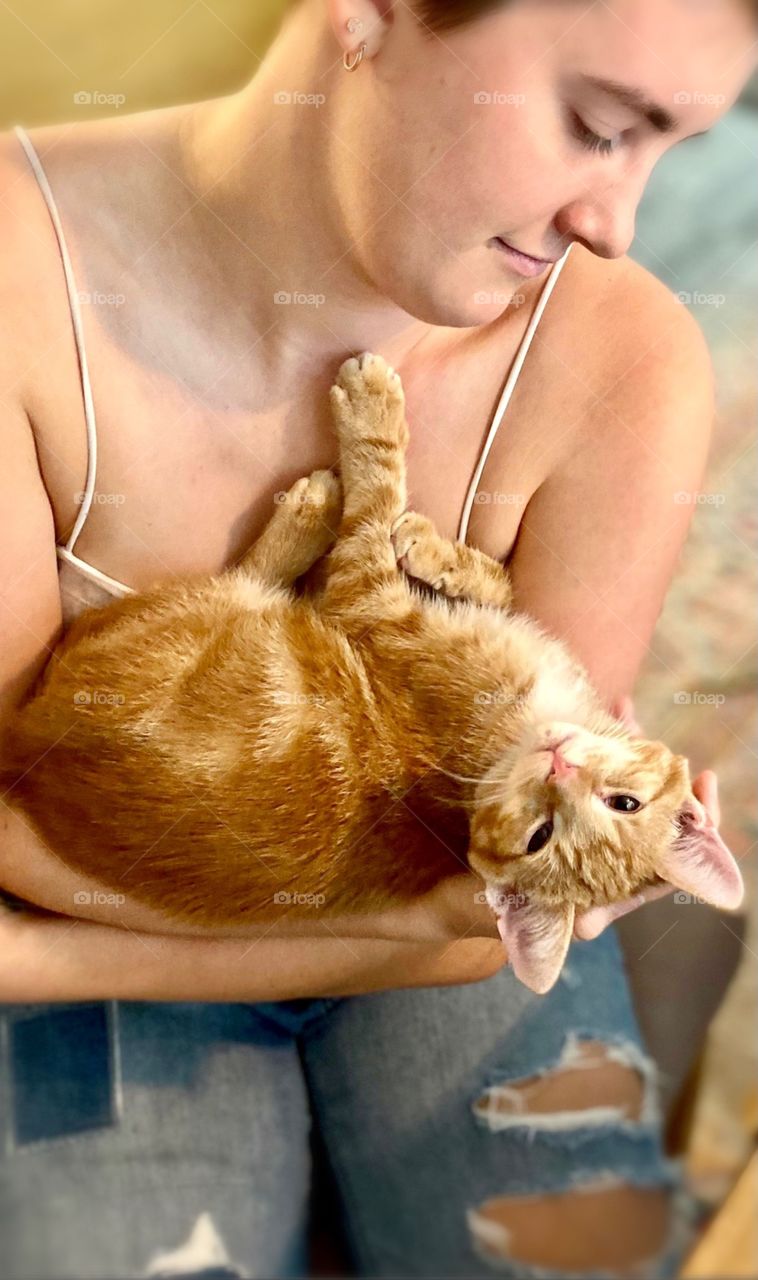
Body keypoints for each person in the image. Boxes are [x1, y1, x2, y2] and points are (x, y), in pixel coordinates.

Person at [0, 0, 753, 1275]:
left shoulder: (622, 357)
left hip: (250, 923)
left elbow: (490, 923)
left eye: (667, 145)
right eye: (594, 125)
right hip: (267, 912)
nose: (615, 224)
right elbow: (17, 823)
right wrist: (423, 926)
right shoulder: (19, 281)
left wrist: (33, 955)